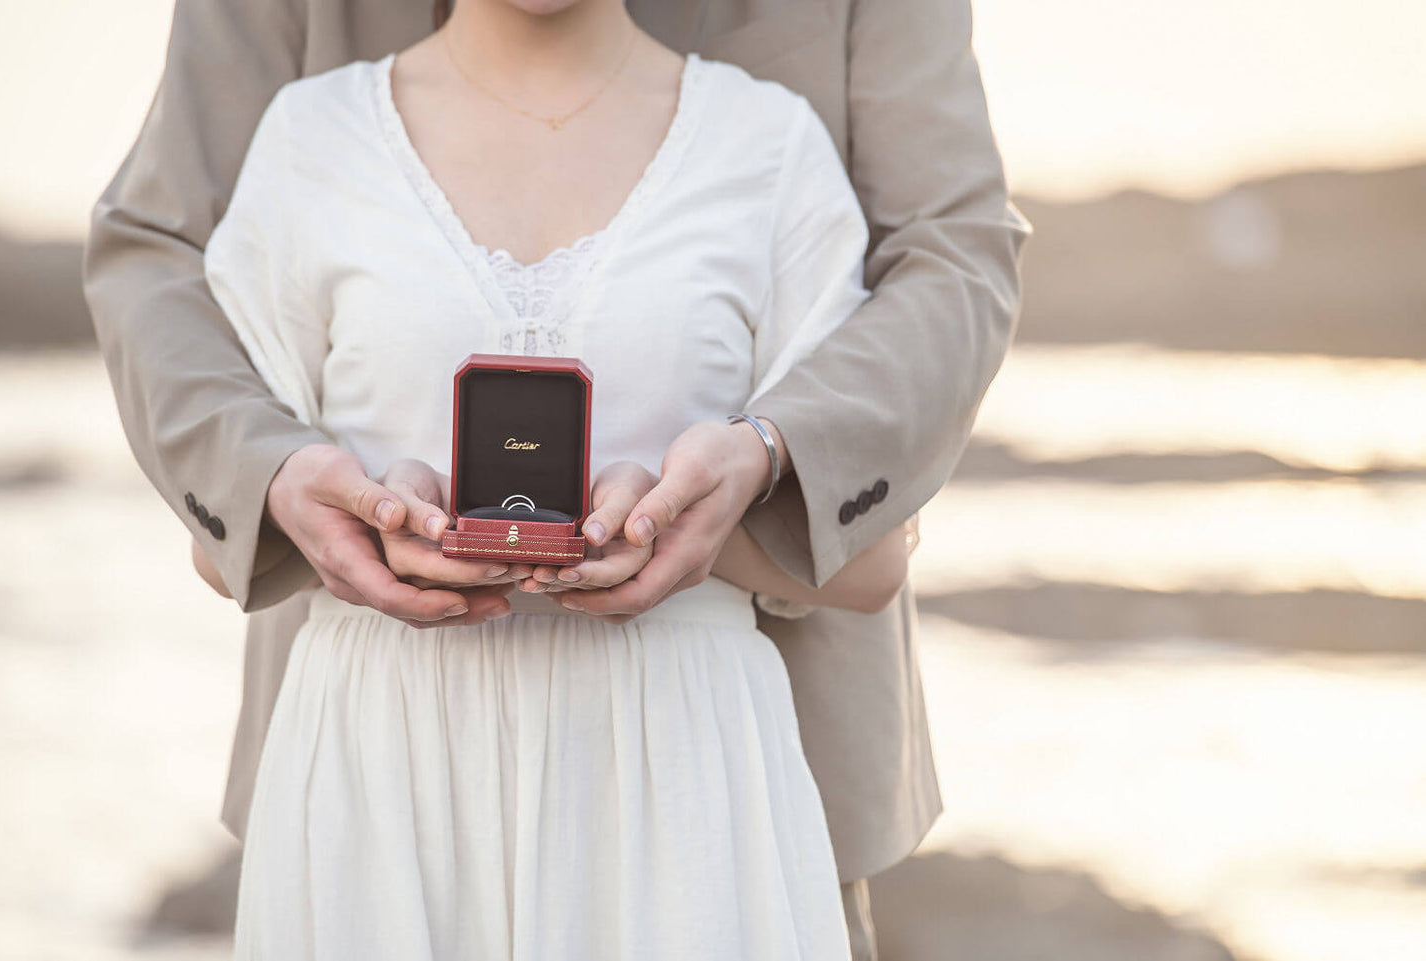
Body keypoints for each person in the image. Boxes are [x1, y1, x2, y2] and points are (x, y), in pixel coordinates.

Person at [83, 0, 1027, 957]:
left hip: (691, 770)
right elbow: (220, 466)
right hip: (381, 769)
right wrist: (304, 487)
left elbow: (948, 279)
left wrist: (739, 484)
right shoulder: (311, 139)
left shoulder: (768, 145)